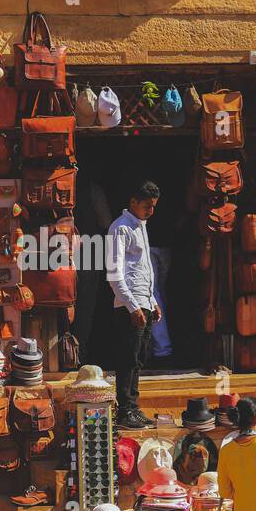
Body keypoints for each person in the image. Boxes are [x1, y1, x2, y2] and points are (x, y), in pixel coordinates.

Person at [106, 181, 161, 429]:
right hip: (131, 304)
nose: (151, 210)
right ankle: (125, 411)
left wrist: (152, 301)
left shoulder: (141, 227)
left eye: (153, 206)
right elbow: (115, 273)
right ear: (133, 203)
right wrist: (133, 306)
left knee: (138, 358)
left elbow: (141, 269)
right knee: (128, 358)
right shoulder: (120, 228)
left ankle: (133, 408)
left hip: (144, 301)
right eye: (147, 205)